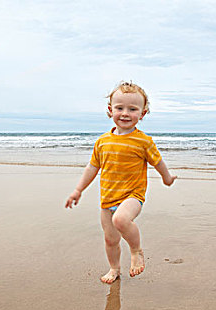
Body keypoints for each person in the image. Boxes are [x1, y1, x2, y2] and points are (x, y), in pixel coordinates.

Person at [65, 81, 176, 284]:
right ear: (110, 110)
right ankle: (114, 269)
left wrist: (167, 178)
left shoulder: (143, 141)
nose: (125, 113)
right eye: (120, 108)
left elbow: (158, 162)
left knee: (121, 220)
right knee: (110, 239)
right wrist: (78, 190)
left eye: (132, 109)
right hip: (108, 199)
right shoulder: (102, 142)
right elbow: (92, 168)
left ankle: (136, 251)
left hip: (132, 195)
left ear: (142, 114)